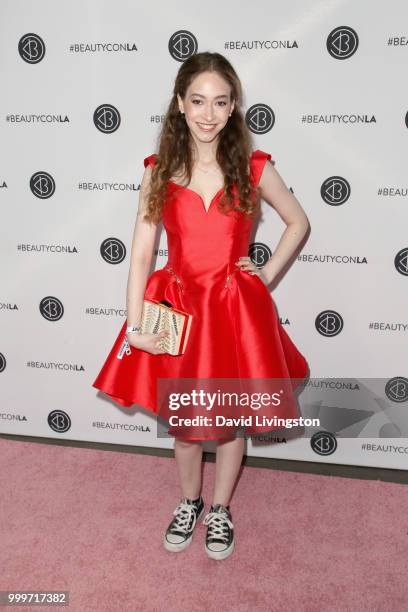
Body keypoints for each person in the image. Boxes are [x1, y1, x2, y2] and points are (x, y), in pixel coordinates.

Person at [92, 51, 310, 561]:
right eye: (198, 101)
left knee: (230, 422)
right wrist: (134, 325)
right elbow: (142, 253)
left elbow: (298, 222)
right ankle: (189, 502)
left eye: (220, 101)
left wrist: (265, 275)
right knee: (186, 427)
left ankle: (219, 510)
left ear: (234, 107)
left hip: (234, 311)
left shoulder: (255, 167)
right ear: (179, 104)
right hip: (178, 311)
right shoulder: (160, 171)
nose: (208, 114)